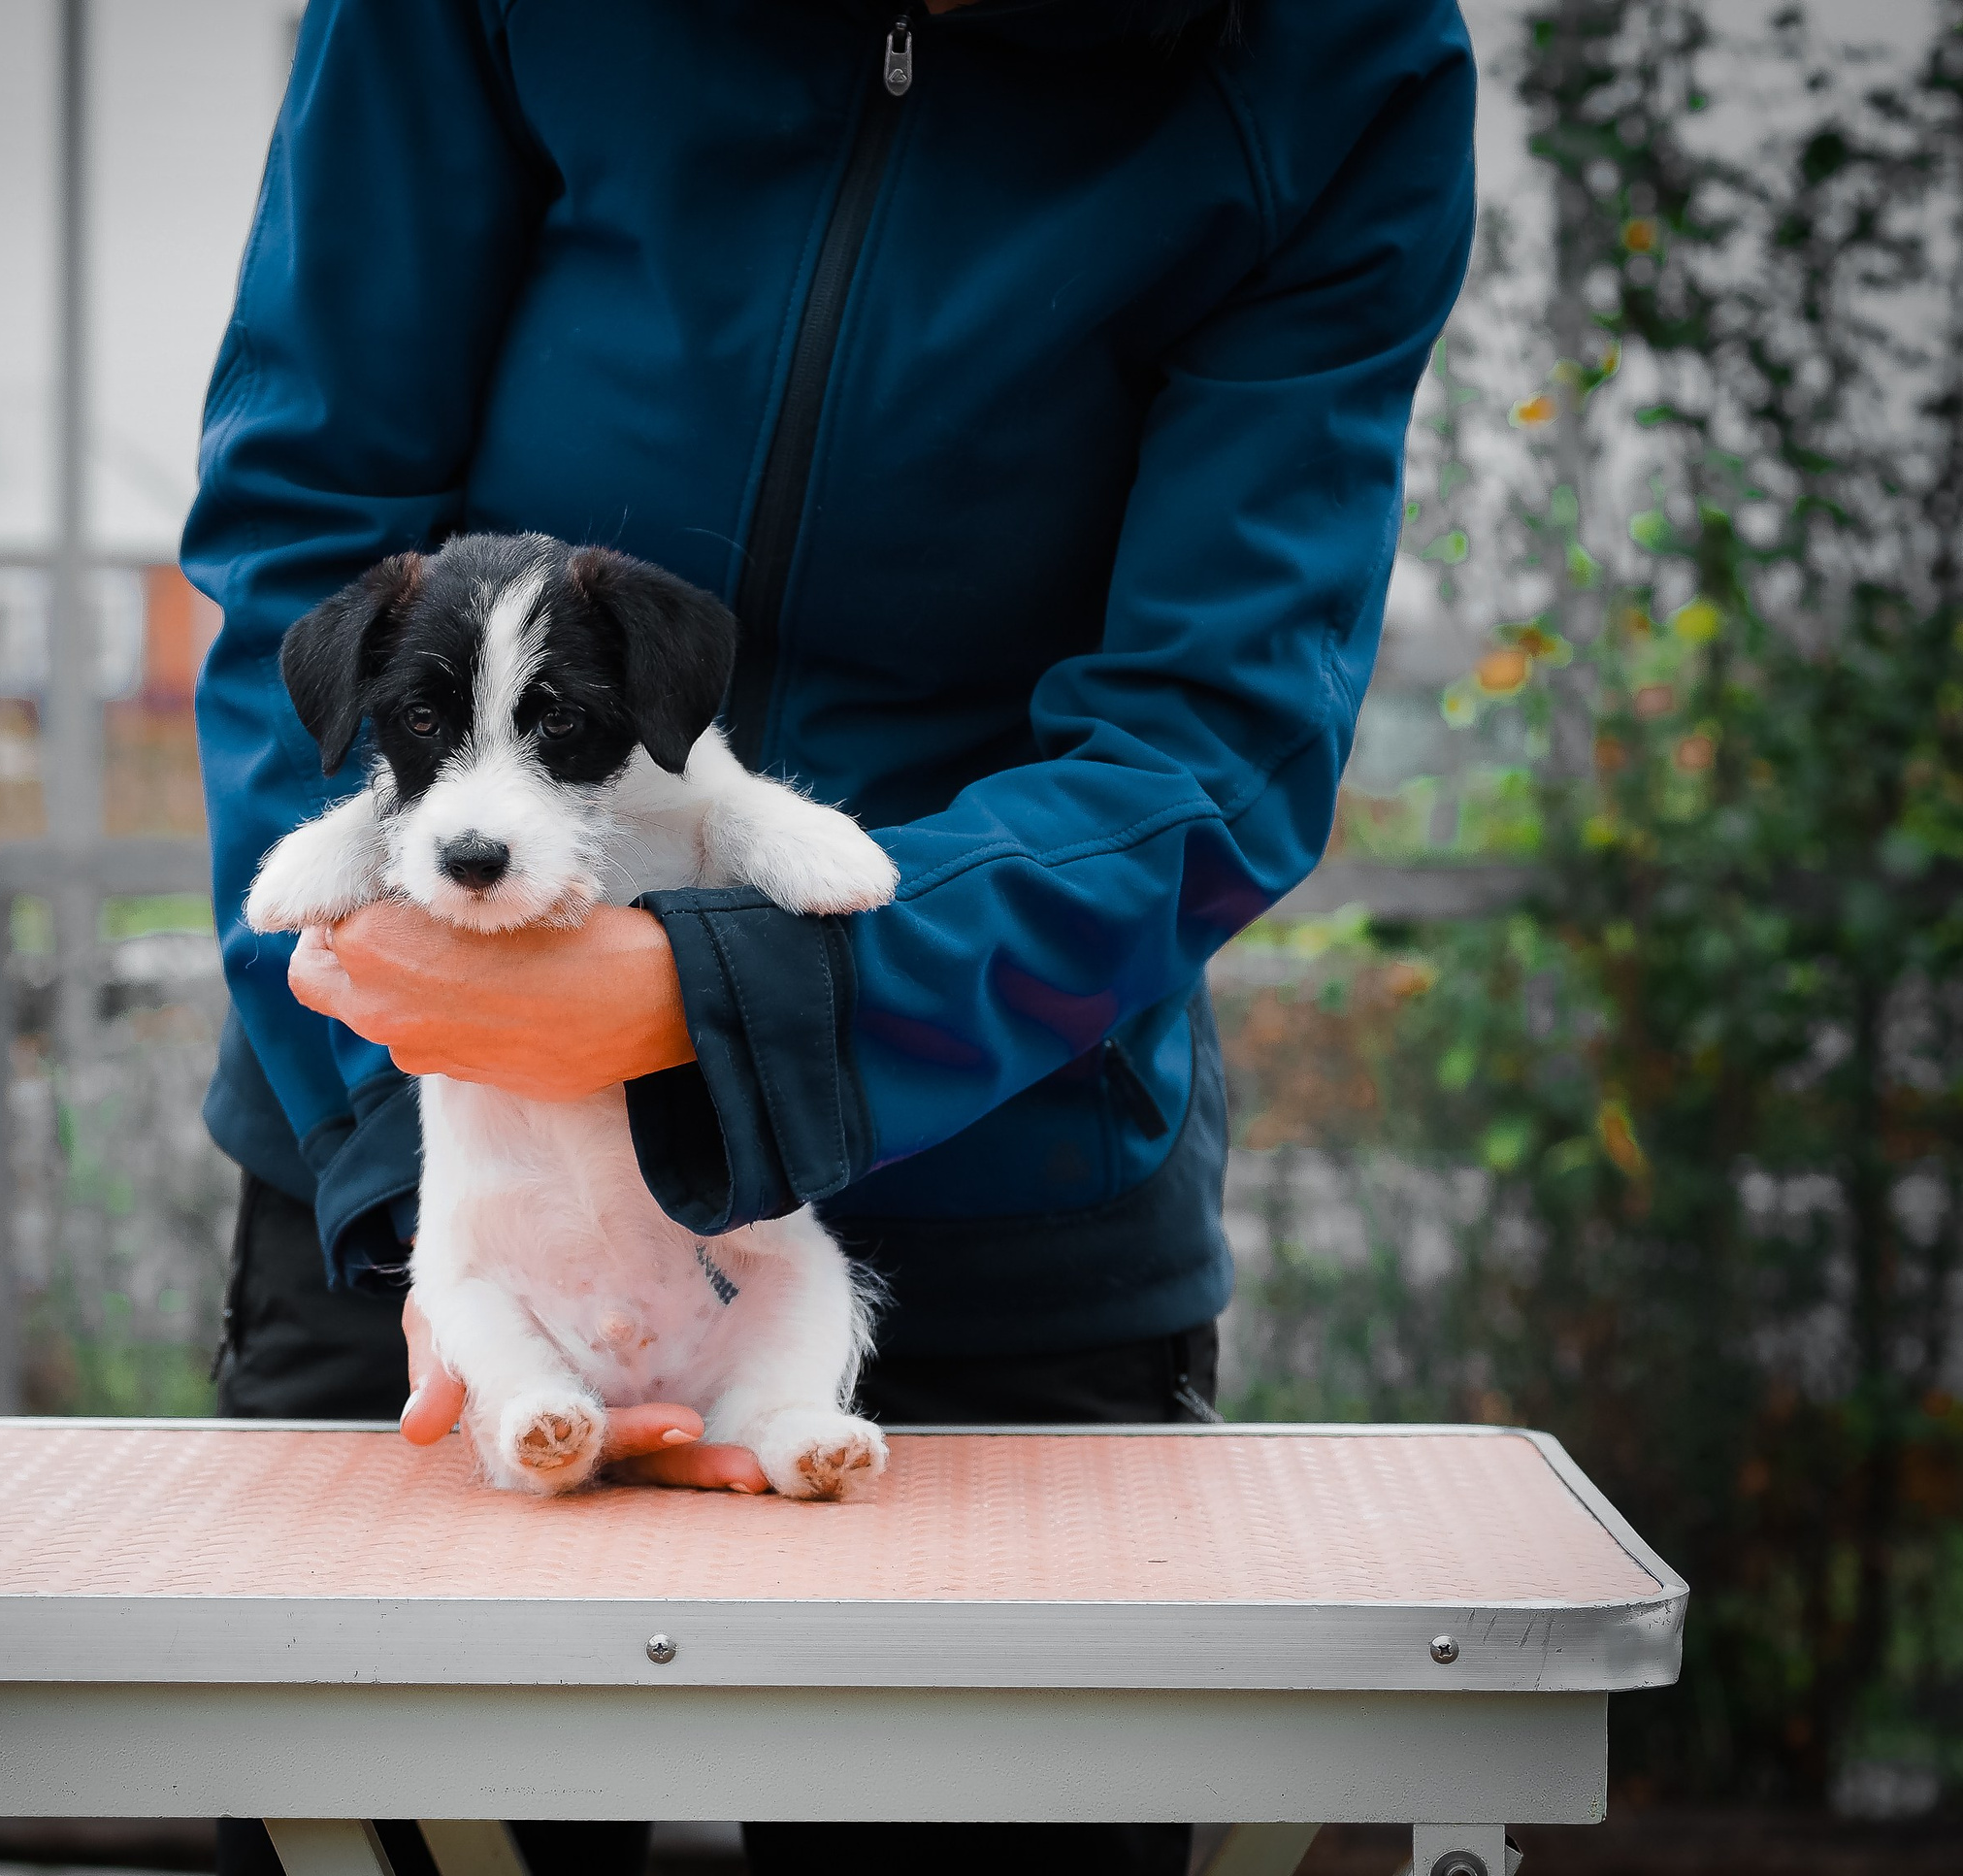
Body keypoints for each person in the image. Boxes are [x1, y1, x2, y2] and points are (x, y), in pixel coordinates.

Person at [185, 1, 1474, 1869]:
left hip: (989, 1216)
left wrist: (731, 1000)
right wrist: (427, 1172)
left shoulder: (1336, 53)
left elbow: (1214, 738)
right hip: (413, 1191)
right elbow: (310, 533)